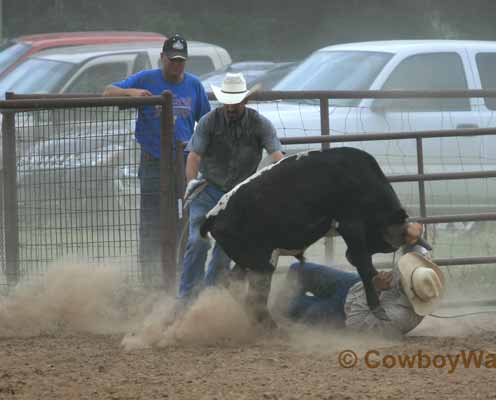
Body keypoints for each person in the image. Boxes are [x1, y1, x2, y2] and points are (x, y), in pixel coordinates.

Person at [102, 34, 211, 287]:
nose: (177, 65)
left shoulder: (194, 86)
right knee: (151, 221)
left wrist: (202, 157)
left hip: (185, 162)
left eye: (181, 61)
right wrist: (132, 93)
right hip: (154, 160)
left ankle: (185, 277)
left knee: (187, 219)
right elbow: (108, 91)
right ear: (162, 58)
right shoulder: (146, 79)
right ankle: (150, 280)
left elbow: (206, 124)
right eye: (172, 60)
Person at [178, 72, 285, 302]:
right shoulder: (209, 121)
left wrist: (283, 178)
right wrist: (190, 184)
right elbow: (194, 156)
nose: (230, 106)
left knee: (226, 249)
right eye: (227, 101)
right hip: (208, 190)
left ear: (245, 101)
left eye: (235, 101)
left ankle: (209, 299)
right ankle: (186, 300)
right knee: (198, 242)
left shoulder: (259, 124)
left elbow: (277, 155)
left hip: (239, 196)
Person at [281, 223, 445, 337]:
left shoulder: (399, 317)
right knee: (298, 270)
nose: (403, 273)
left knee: (289, 305)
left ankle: (278, 317)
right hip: (356, 285)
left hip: (345, 311)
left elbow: (355, 324)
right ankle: (288, 311)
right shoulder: (423, 276)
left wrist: (375, 287)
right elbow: (416, 245)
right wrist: (410, 231)